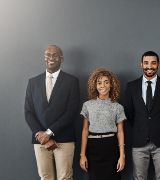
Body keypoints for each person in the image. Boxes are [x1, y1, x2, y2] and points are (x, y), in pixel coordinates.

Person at [24, 45, 80, 180]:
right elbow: (28, 112)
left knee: (65, 177)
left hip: (64, 139)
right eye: (48, 55)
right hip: (40, 141)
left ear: (62, 58)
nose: (51, 58)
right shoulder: (33, 82)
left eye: (55, 55)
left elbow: (71, 111)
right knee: (45, 177)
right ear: (44, 58)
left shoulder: (71, 81)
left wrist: (49, 133)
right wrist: (41, 135)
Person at [124, 51, 160, 180]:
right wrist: (141, 128)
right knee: (139, 177)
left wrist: (158, 128)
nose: (149, 66)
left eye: (153, 63)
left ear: (158, 65)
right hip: (138, 141)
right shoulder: (131, 86)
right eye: (146, 63)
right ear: (141, 64)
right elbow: (129, 113)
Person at [79, 68, 126, 179]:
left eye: (106, 82)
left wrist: (122, 155)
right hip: (93, 147)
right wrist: (82, 155)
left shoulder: (118, 107)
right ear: (95, 85)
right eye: (99, 83)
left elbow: (120, 132)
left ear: (111, 85)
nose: (102, 86)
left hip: (111, 146)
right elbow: (85, 131)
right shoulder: (87, 105)